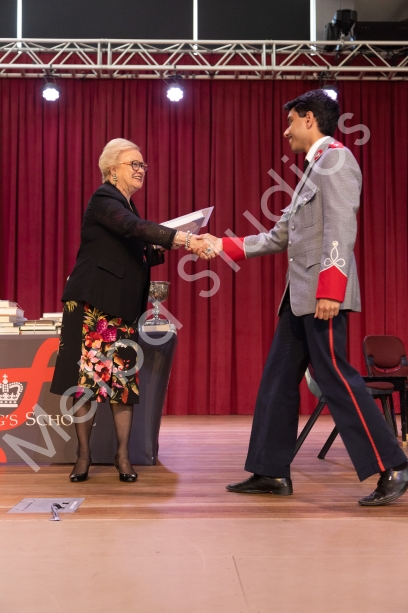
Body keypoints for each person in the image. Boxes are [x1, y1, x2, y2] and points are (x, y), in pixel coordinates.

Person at [200, 89, 408, 506]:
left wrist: (331, 290)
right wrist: (221, 245)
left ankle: (394, 466)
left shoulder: (336, 160)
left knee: (336, 378)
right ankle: (270, 471)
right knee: (277, 381)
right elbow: (279, 236)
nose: (286, 131)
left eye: (291, 121)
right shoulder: (314, 168)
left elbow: (340, 228)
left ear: (309, 119)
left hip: (320, 296)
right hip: (299, 299)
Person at [51, 138, 212, 483]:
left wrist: (166, 244)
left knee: (121, 384)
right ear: (112, 170)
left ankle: (122, 456)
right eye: (133, 164)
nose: (141, 170)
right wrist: (184, 239)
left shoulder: (125, 205)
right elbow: (132, 228)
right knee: (84, 384)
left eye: (143, 165)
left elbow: (135, 251)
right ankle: (83, 455)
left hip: (121, 307)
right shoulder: (104, 199)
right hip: (93, 304)